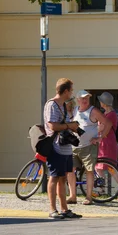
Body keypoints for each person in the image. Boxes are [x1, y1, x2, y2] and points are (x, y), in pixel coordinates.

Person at [43, 78, 82, 219]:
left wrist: (73, 126)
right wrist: (69, 126)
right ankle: (53, 209)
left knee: (63, 178)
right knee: (54, 177)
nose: (72, 92)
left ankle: (64, 209)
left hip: (65, 147)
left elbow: (62, 123)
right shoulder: (52, 105)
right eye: (71, 90)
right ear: (65, 91)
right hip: (55, 146)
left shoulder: (63, 105)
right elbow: (52, 126)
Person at [72, 90, 112, 205]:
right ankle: (72, 196)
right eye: (83, 98)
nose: (85, 100)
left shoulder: (93, 110)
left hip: (89, 146)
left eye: (87, 98)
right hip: (74, 146)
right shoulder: (75, 110)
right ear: (78, 100)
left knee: (89, 171)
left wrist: (100, 138)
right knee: (71, 170)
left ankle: (89, 197)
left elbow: (107, 123)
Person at [96, 92, 118, 197]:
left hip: (107, 143)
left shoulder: (111, 115)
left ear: (104, 102)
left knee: (111, 168)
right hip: (104, 143)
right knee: (99, 167)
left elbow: (101, 128)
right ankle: (101, 189)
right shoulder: (107, 114)